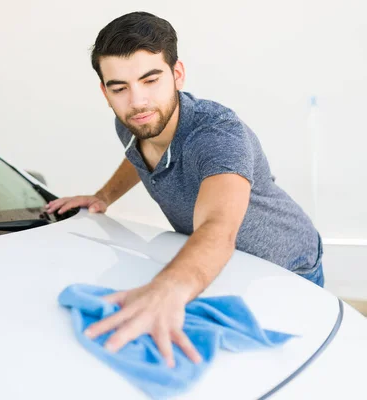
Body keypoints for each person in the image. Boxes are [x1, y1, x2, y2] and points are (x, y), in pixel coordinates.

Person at [45, 11, 324, 368]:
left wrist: (167, 289)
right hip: (220, 267)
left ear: (177, 74)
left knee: (288, 367)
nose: (137, 101)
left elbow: (218, 227)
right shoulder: (131, 122)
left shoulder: (217, 135)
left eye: (151, 80)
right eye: (120, 88)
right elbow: (138, 155)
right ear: (105, 91)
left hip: (286, 266)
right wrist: (104, 196)